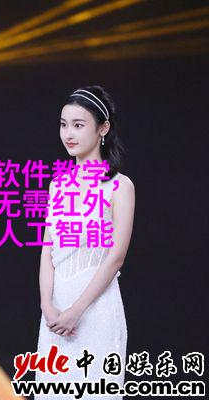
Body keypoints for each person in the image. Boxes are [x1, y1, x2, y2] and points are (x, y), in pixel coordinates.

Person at [36, 86, 135, 398]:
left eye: (78, 125)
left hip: (96, 309)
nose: (69, 133)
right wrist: (47, 306)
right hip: (55, 313)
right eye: (64, 124)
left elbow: (116, 256)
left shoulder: (119, 187)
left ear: (102, 128)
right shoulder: (57, 186)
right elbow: (47, 251)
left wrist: (76, 310)